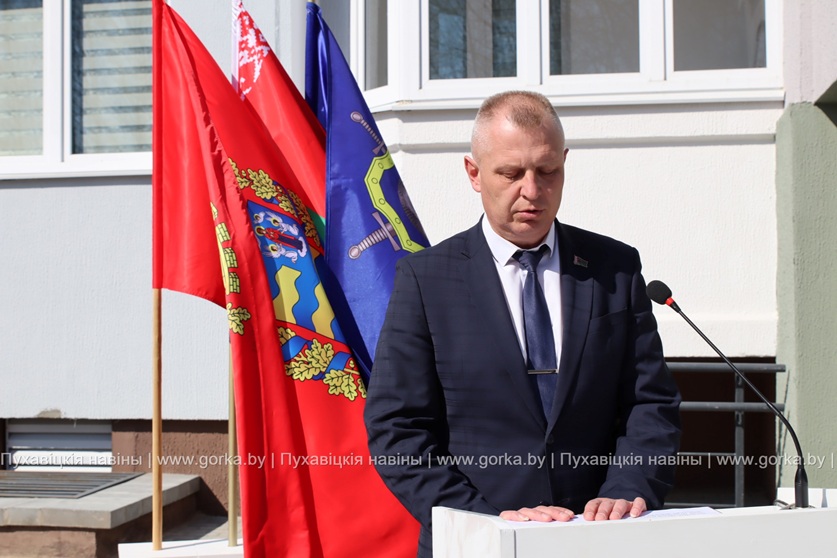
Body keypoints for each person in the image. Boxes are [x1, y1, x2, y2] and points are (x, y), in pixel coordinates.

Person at [363, 90, 681, 557]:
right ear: (474, 173)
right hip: (475, 542)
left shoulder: (613, 268)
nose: (532, 191)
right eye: (511, 174)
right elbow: (397, 428)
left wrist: (628, 488)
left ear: (564, 164)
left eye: (547, 171)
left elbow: (650, 403)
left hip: (595, 539)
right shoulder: (426, 279)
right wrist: (482, 521)